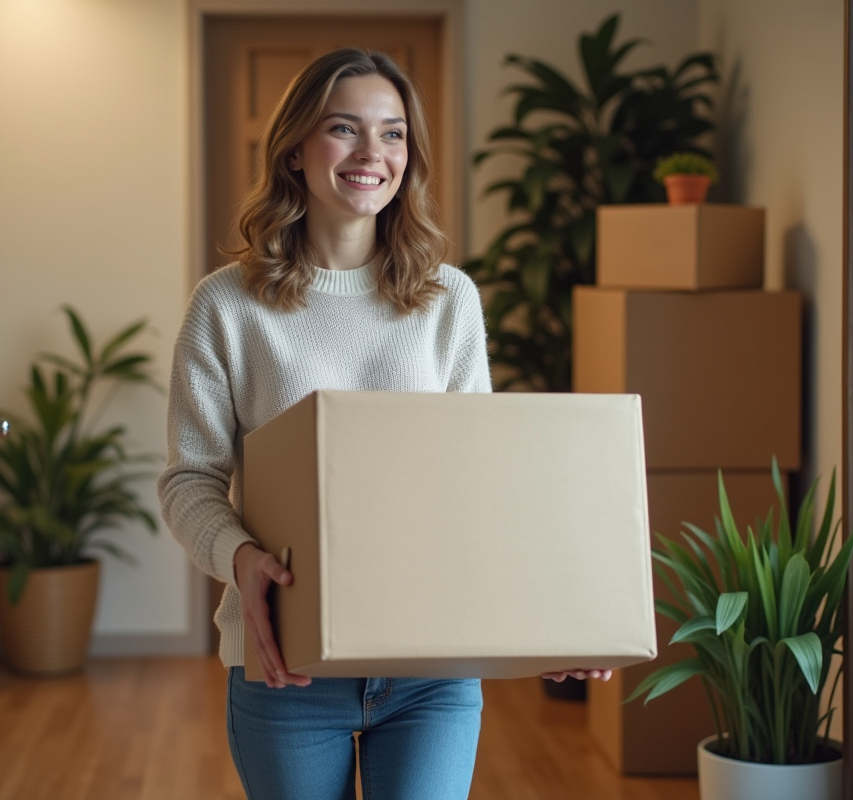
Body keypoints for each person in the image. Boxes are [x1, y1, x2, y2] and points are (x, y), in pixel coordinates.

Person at [158, 48, 609, 800]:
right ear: (296, 150)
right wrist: (239, 557)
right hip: (288, 667)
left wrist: (546, 614)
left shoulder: (448, 300)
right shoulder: (226, 306)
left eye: (393, 133)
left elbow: (479, 483)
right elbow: (190, 480)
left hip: (432, 665)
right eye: (345, 128)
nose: (373, 153)